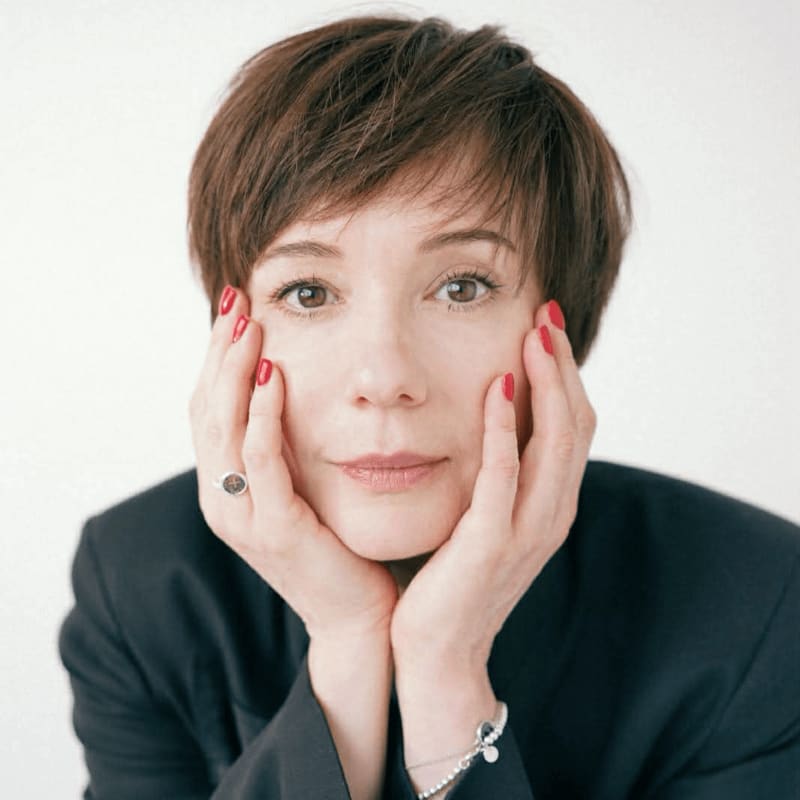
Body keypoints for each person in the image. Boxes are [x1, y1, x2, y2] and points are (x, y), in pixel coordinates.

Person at [58, 14, 800, 800]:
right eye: (308, 292)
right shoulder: (140, 585)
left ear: (560, 327)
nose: (385, 376)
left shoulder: (757, 604)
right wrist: (346, 646)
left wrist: (447, 668)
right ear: (231, 337)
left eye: (462, 287)